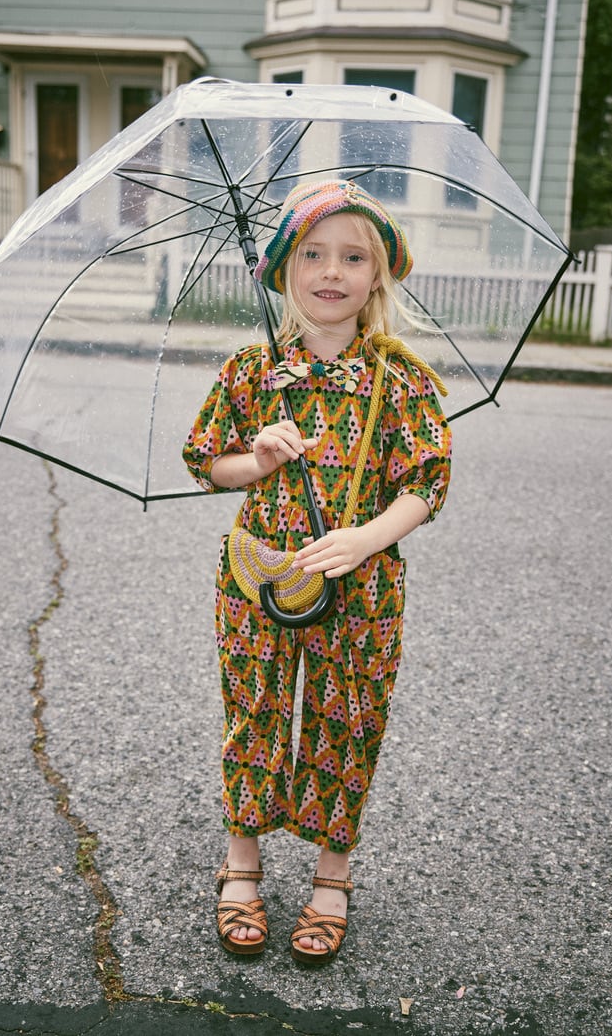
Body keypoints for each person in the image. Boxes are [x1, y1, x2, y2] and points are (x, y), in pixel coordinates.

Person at [183, 179, 452, 965]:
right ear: (283, 270)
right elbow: (207, 463)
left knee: (347, 721)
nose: (331, 271)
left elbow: (427, 483)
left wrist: (365, 538)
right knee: (255, 714)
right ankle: (243, 863)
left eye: (353, 256)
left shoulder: (398, 380)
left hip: (360, 588)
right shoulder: (250, 370)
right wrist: (255, 459)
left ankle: (332, 880)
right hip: (259, 576)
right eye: (313, 254)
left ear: (379, 275)